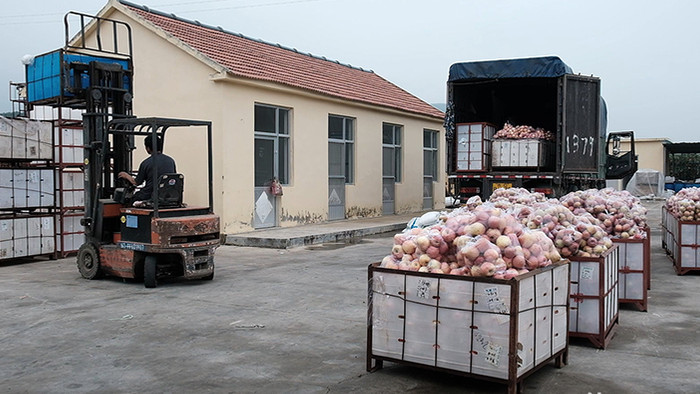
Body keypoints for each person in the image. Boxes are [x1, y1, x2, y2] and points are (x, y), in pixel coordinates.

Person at [118, 135, 176, 204]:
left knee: (130, 200)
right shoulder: (171, 161)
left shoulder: (146, 163)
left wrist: (126, 175)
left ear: (148, 148)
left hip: (150, 195)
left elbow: (136, 182)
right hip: (168, 195)